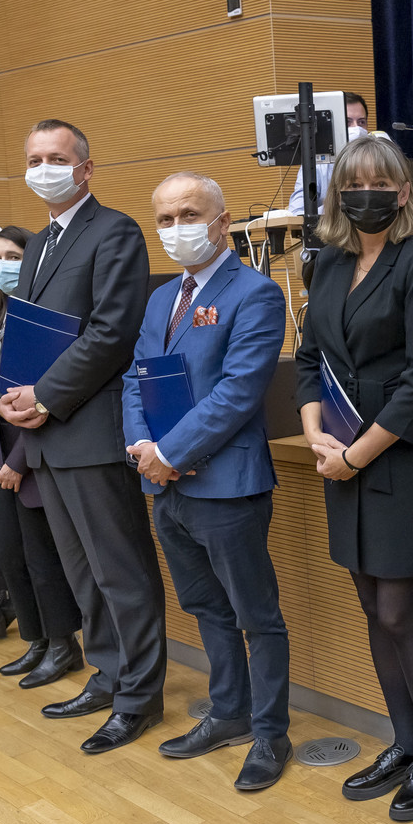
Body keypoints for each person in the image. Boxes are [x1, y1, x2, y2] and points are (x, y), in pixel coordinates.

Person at [294, 136, 413, 819]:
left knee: (398, 610)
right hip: (341, 458)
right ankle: (402, 741)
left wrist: (354, 455)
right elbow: (309, 358)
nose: (365, 193)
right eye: (353, 183)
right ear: (338, 193)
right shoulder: (330, 264)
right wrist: (313, 433)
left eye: (379, 183)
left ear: (403, 192)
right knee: (371, 606)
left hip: (404, 459)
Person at [0, 119, 166, 755]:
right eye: (34, 158)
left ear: (86, 168)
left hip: (90, 430)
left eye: (56, 157)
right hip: (46, 437)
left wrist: (43, 396)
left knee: (120, 572)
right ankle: (109, 674)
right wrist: (14, 394)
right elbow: (30, 334)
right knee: (82, 573)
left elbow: (111, 333)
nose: (44, 168)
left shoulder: (114, 231)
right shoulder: (39, 243)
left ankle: (139, 696)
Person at [122, 172, 289, 773]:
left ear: (222, 222)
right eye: (165, 219)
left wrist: (169, 454)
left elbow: (238, 392)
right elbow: (135, 378)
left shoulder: (255, 293)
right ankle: (229, 713)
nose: (176, 229)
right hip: (165, 485)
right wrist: (142, 445)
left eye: (188, 215)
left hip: (226, 486)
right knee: (205, 607)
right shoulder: (161, 298)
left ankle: (270, 734)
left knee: (255, 616)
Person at [0, 227, 83, 675]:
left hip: (32, 460)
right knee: (10, 557)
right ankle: (36, 640)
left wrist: (17, 462)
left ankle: (62, 644)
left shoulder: (43, 322)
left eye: (13, 257)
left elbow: (49, 401)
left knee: (43, 560)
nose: (2, 267)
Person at [287, 92, 376, 214]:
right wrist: (337, 206)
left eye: (361, 122)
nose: (356, 128)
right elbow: (297, 212)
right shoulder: (317, 163)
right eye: (348, 122)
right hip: (333, 225)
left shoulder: (379, 157)